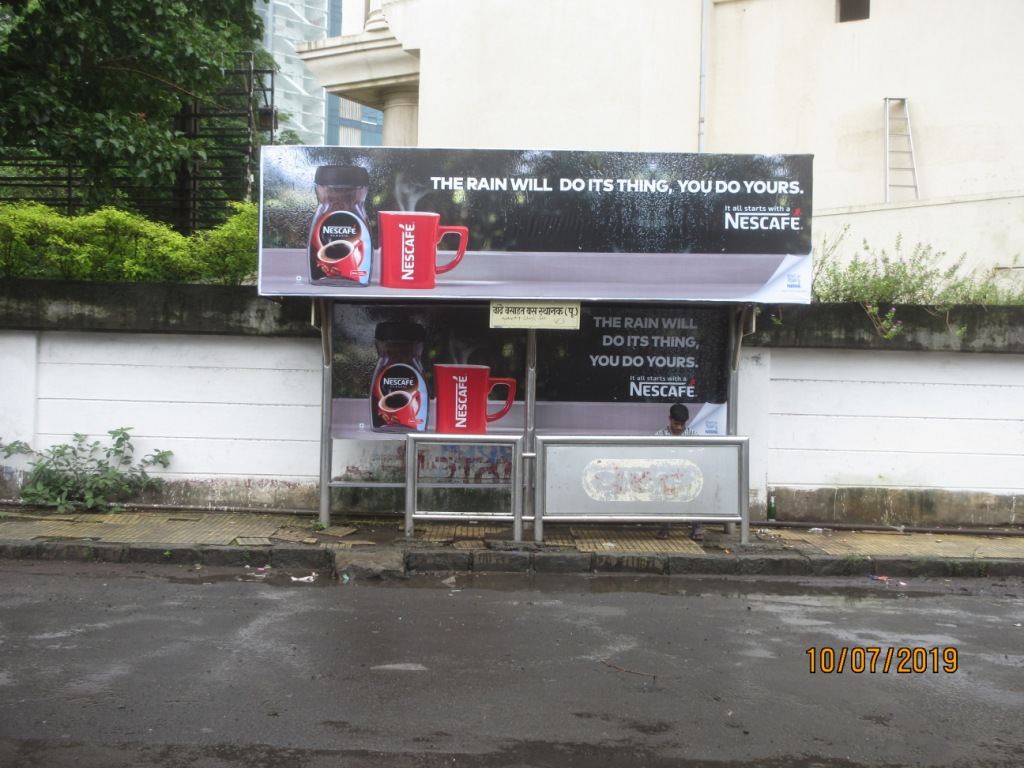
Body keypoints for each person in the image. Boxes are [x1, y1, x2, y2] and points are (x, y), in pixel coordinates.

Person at [655, 403, 703, 542]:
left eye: (682, 424)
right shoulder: (659, 436)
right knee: (664, 491)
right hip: (667, 475)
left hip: (687, 475)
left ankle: (697, 526)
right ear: (670, 419)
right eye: (676, 424)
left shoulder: (694, 436)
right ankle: (665, 526)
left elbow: (700, 459)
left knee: (696, 491)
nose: (679, 427)